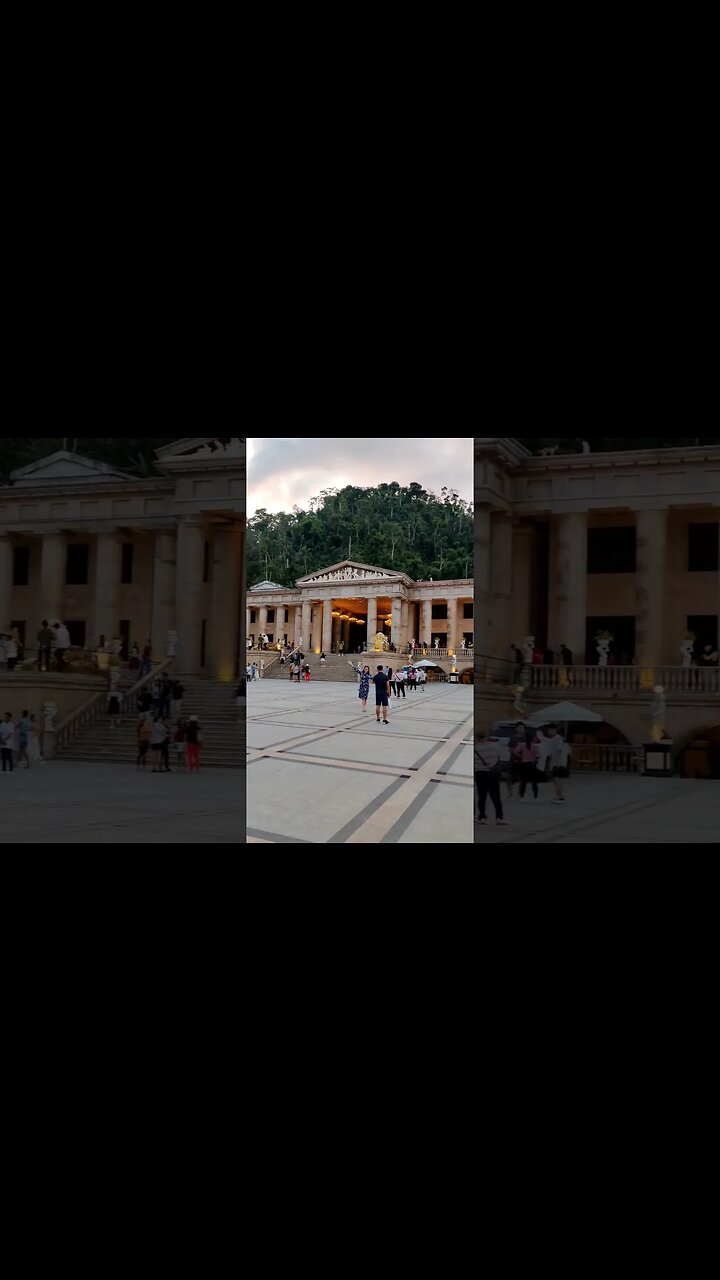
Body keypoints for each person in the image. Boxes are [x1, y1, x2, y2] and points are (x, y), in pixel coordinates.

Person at [474, 730, 508, 826]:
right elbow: (502, 756)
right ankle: (499, 818)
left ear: (477, 738)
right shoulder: (494, 746)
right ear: (486, 736)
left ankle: (482, 817)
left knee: (482, 796)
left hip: (480, 773)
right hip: (492, 773)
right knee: (495, 796)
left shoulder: (475, 748)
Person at [538, 723, 570, 803]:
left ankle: (560, 796)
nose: (548, 732)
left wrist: (555, 763)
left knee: (557, 779)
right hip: (554, 761)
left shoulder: (558, 738)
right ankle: (558, 795)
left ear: (553, 730)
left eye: (549, 730)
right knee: (555, 780)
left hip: (557, 762)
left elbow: (558, 751)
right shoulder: (554, 738)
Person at [514, 730, 540, 800]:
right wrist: (535, 759)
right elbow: (538, 755)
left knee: (523, 780)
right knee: (534, 781)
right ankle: (535, 794)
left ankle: (522, 795)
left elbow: (515, 752)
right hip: (532, 764)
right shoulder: (535, 746)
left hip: (524, 764)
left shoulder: (522, 745)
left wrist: (520, 756)